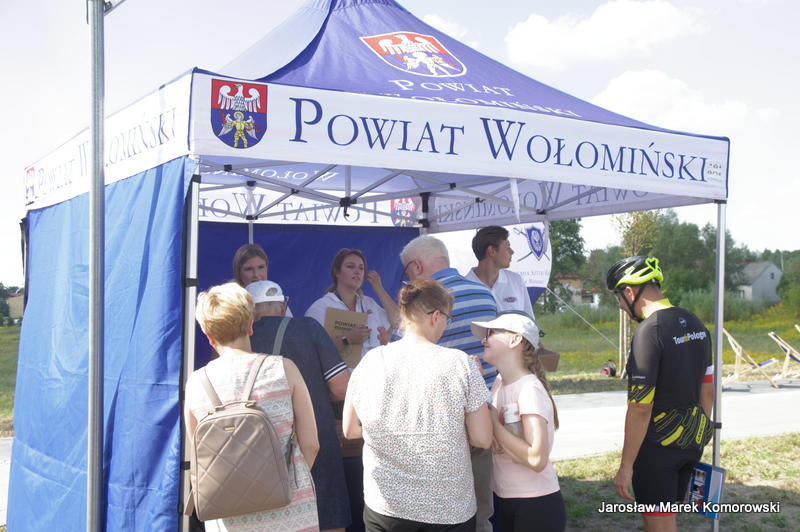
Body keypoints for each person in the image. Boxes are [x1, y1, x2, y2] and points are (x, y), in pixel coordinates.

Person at [342, 278, 492, 531]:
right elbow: (483, 438)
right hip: (448, 509)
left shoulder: (370, 361)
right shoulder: (460, 364)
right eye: (447, 319)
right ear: (436, 316)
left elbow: (350, 430)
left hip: (387, 506)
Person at [184, 282, 320, 531]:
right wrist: (282, 482)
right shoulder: (284, 369)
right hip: (291, 510)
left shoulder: (196, 384)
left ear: (208, 335)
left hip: (228, 514)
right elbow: (311, 444)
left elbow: (198, 458)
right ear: (250, 325)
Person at [607, 256, 714, 532]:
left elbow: (641, 407)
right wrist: (696, 437)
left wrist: (626, 466)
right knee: (668, 520)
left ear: (630, 292)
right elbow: (708, 391)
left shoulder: (648, 331)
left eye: (619, 297)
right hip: (691, 442)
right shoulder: (696, 324)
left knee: (660, 526)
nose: (620, 306)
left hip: (657, 449)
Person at [399, 235, 497, 532]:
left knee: (441, 512)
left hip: (441, 423)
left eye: (407, 272)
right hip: (486, 414)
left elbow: (408, 361)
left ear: (416, 267)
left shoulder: (423, 305)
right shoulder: (485, 294)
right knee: (482, 510)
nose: (408, 280)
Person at [247, 280, 352, 532]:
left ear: (248, 311)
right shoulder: (307, 327)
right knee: (328, 520)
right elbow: (341, 387)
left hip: (259, 451)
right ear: (284, 307)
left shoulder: (238, 341)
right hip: (315, 442)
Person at [471, 311, 566, 532]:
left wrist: (495, 426)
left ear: (515, 340)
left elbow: (536, 459)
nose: (484, 339)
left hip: (535, 505)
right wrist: (475, 383)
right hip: (504, 499)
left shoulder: (529, 390)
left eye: (492, 333)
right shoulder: (499, 382)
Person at [305, 248, 399, 360]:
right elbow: (311, 351)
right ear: (336, 272)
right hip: (342, 371)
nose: (357, 271)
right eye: (350, 266)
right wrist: (347, 339)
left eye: (361, 268)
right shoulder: (321, 307)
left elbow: (398, 321)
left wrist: (379, 289)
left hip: (374, 369)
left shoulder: (369, 303)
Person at [467, 226, 533, 315]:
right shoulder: (464, 288)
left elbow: (529, 321)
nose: (512, 252)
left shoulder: (516, 281)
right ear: (492, 251)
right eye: (507, 247)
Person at [232, 242, 295, 316]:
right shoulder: (229, 303)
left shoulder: (276, 299)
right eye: (249, 269)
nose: (256, 275)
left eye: (261, 267)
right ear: (238, 272)